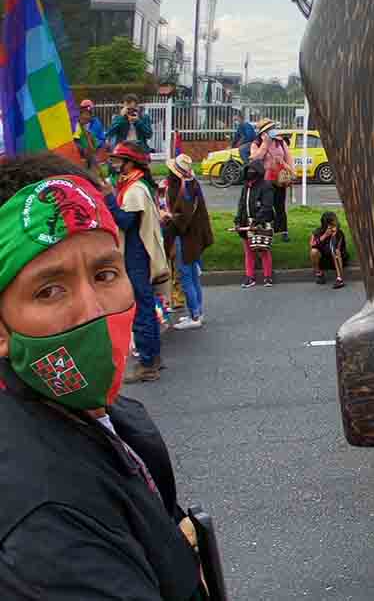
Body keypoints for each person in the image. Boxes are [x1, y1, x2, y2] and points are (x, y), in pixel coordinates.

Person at [0, 154, 205, 599]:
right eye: (49, 289)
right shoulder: (43, 522)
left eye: (105, 274)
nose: (94, 310)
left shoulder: (104, 416)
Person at [104, 143, 168, 384]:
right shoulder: (136, 185)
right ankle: (153, 358)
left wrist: (108, 197)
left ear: (131, 163)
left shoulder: (135, 190)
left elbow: (125, 221)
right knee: (146, 307)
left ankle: (147, 363)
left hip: (136, 255)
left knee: (142, 309)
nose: (116, 164)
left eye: (120, 160)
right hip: (137, 253)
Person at [164, 154, 213, 330]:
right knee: (193, 276)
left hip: (185, 239)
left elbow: (182, 220)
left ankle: (194, 315)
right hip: (195, 239)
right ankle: (198, 311)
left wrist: (168, 216)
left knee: (186, 277)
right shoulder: (193, 184)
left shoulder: (184, 190)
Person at [234, 160, 275, 288]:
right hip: (246, 222)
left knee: (263, 249)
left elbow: (267, 206)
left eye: (253, 171)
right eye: (248, 171)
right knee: (248, 251)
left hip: (261, 223)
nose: (250, 173)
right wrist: (237, 220)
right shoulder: (246, 186)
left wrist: (257, 221)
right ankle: (249, 277)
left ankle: (268, 277)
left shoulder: (266, 186)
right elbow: (241, 204)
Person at [250, 119, 293, 241]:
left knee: (280, 205)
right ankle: (268, 229)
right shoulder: (256, 144)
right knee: (267, 206)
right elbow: (255, 158)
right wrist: (265, 144)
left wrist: (291, 172)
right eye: (270, 129)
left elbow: (288, 157)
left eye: (273, 128)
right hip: (264, 180)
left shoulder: (280, 142)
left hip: (279, 179)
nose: (273, 131)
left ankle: (283, 231)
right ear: (263, 132)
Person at [309, 211, 349, 289]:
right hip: (323, 259)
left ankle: (339, 279)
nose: (336, 223)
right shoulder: (317, 232)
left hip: (337, 260)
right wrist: (325, 236)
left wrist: (333, 236)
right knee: (313, 252)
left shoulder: (339, 233)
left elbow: (337, 248)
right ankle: (319, 274)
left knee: (335, 251)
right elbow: (312, 244)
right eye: (333, 223)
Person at [74, 100, 107, 172]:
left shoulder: (96, 122)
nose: (85, 116)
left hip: (98, 146)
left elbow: (91, 138)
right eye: (83, 113)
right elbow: (76, 137)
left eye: (88, 113)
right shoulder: (77, 124)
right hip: (84, 147)